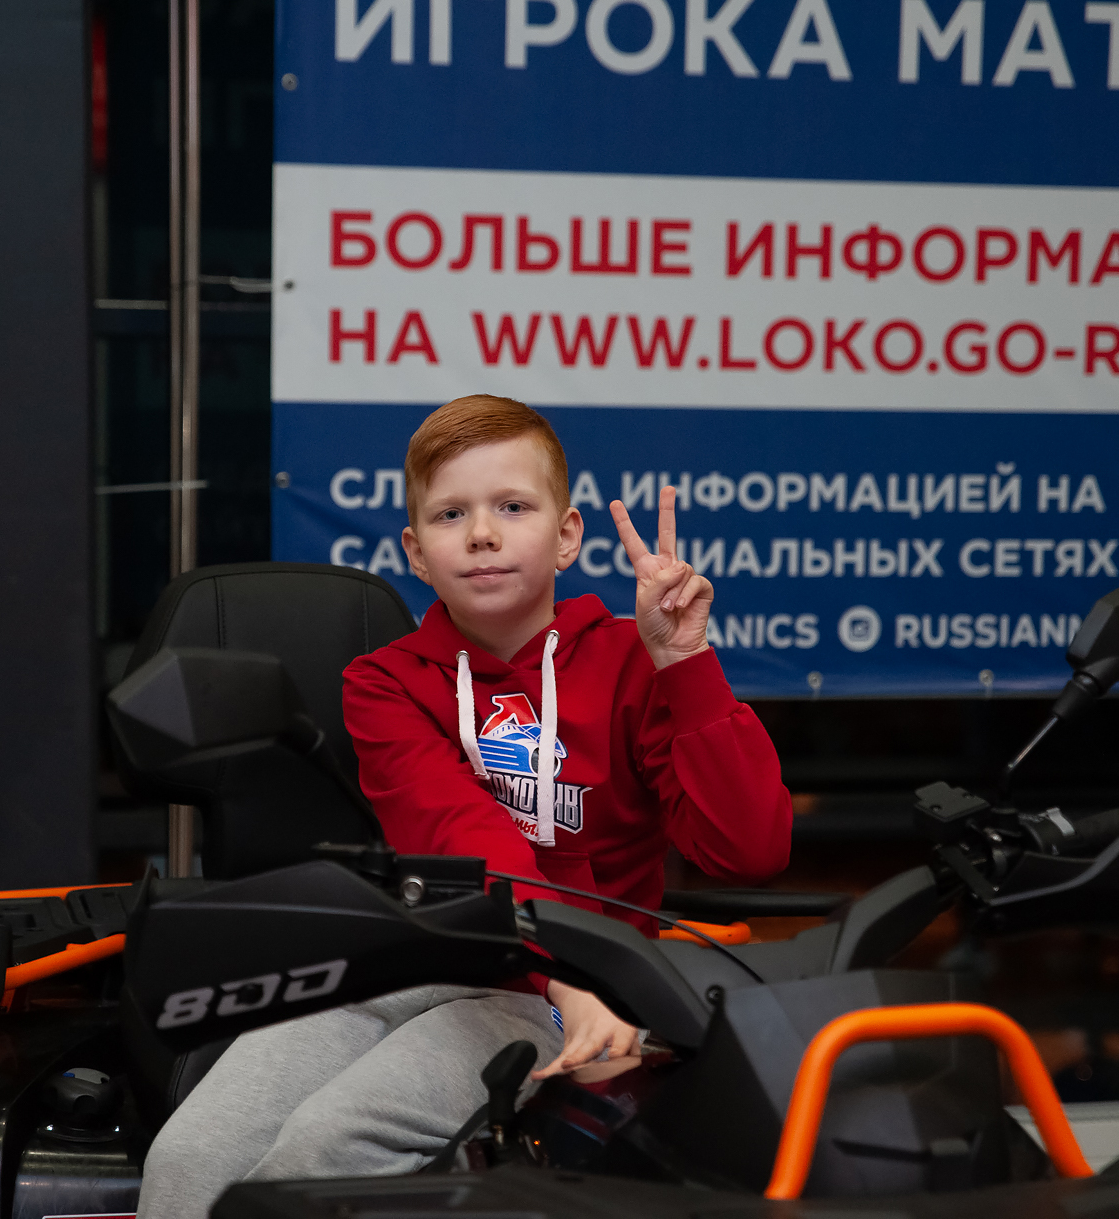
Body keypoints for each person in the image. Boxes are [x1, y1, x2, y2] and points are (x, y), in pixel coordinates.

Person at [138, 395, 790, 1218]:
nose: (482, 533)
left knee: (325, 1151)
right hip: (416, 968)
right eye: (451, 514)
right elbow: (463, 836)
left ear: (567, 536)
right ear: (416, 551)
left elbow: (749, 850)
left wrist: (686, 663)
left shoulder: (637, 662)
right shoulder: (383, 682)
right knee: (192, 1154)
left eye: (512, 507)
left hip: (579, 993)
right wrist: (564, 977)